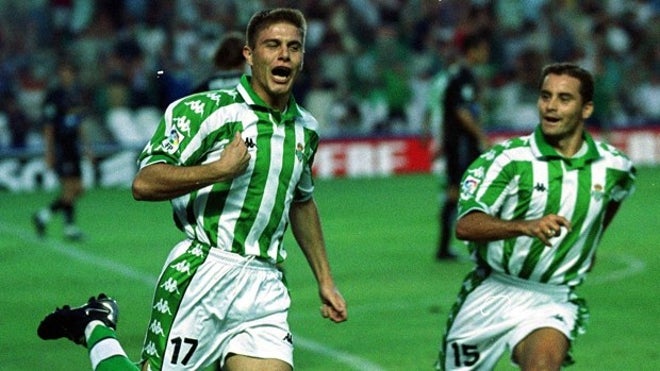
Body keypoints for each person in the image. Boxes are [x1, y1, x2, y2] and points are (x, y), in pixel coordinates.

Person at [37, 8, 348, 371]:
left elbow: (302, 202)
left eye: (293, 47)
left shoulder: (305, 128)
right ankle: (95, 324)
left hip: (266, 284)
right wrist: (219, 169)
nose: (284, 55)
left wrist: (325, 280)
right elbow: (144, 183)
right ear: (249, 54)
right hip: (203, 273)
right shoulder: (206, 111)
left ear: (302, 57)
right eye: (272, 45)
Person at [435, 63, 636, 370]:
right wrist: (524, 227)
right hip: (491, 292)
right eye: (546, 96)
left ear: (586, 109)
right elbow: (465, 226)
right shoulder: (506, 160)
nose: (551, 106)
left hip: (551, 298)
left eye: (564, 98)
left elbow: (617, 195)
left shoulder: (614, 167)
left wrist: (591, 243)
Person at [435, 32, 491, 261]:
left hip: (459, 142)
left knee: (462, 191)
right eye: (483, 48)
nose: (486, 53)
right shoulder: (463, 76)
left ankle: (447, 247)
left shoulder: (461, 74)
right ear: (472, 50)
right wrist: (481, 136)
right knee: (459, 192)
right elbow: (461, 111)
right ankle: (459, 245)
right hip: (461, 143)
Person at [33, 59, 89, 241]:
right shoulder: (54, 96)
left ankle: (43, 216)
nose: (67, 76)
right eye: (63, 72)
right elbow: (49, 127)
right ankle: (69, 228)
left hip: (73, 147)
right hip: (61, 147)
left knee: (78, 189)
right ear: (59, 74)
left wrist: (87, 146)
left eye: (69, 72)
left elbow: (79, 123)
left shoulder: (75, 95)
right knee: (69, 188)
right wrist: (48, 152)